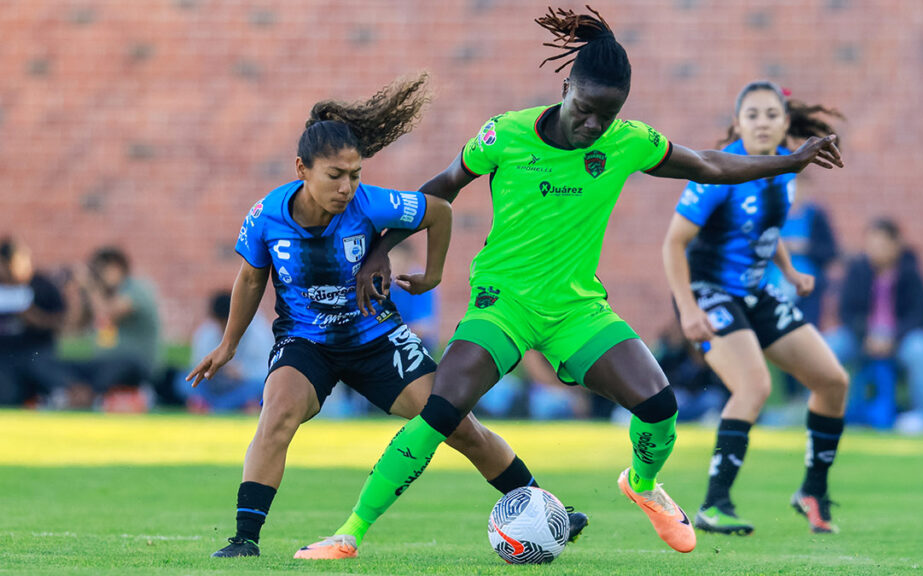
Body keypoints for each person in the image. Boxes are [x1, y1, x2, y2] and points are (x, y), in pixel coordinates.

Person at [337, 7, 842, 556]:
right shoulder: (503, 133)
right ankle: (349, 533)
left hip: (576, 309)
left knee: (660, 409)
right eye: (586, 109)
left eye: (608, 114)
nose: (594, 125)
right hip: (501, 303)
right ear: (566, 87)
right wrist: (380, 251)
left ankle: (643, 485)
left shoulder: (628, 141)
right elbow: (441, 187)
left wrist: (789, 162)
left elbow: (708, 165)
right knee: (440, 411)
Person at [185, 74, 586, 560]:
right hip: (306, 342)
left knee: (458, 424)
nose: (347, 186)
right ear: (301, 170)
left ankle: (549, 510)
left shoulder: (370, 203)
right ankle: (244, 539)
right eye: (335, 175)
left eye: (355, 174)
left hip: (377, 338)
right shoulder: (267, 215)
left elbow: (439, 211)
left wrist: (433, 275)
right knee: (278, 413)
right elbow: (250, 280)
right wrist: (228, 346)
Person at [662, 80, 849, 536]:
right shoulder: (718, 173)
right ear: (738, 123)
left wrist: (787, 269)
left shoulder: (784, 169)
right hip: (709, 292)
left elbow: (763, 228)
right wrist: (687, 310)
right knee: (754, 386)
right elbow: (673, 244)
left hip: (754, 292)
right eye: (753, 115)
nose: (762, 123)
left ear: (786, 123)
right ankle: (713, 504)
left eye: (771, 115)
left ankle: (812, 492)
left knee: (832, 381)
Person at [826, 218, 923, 434]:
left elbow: (920, 315)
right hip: (862, 337)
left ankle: (922, 415)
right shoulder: (858, 270)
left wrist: (893, 338)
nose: (875, 250)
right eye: (871, 244)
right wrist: (866, 335)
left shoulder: (911, 272)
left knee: (921, 347)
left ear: (896, 244)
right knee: (828, 345)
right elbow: (845, 312)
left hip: (899, 339)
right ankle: (824, 409)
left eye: (881, 245)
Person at [763, 175, 839, 400]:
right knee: (783, 342)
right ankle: (790, 396)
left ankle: (810, 393)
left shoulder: (816, 216)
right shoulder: (771, 215)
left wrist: (806, 248)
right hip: (774, 289)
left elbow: (830, 252)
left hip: (807, 291)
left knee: (807, 340)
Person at [68, 246, 162, 408]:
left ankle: (91, 399)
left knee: (116, 368)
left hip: (136, 364)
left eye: (101, 270)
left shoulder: (135, 288)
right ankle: (74, 395)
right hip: (102, 363)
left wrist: (91, 287)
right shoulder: (100, 295)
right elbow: (73, 328)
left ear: (116, 267)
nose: (98, 276)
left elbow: (106, 313)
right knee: (63, 366)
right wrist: (78, 293)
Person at [0, 237, 69, 406]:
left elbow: (62, 322)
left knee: (45, 371)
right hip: (5, 357)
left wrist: (34, 317)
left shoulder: (42, 286)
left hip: (36, 353)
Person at [179, 290, 273, 412]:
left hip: (244, 384)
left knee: (260, 386)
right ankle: (234, 406)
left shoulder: (259, 331)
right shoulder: (207, 332)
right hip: (217, 384)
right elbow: (196, 367)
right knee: (183, 380)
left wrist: (242, 372)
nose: (223, 328)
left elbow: (266, 371)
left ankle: (211, 406)